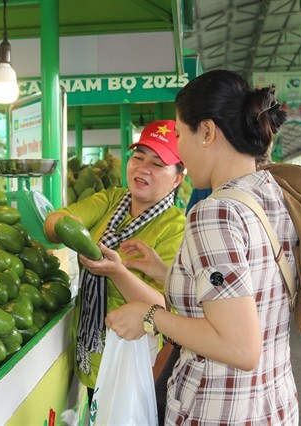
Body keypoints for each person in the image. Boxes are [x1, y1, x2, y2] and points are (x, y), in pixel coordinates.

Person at [82, 69, 299, 424]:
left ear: (208, 132)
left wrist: (149, 315)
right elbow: (246, 293)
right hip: (272, 403)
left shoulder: (216, 212)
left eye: (181, 134)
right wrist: (165, 272)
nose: (179, 147)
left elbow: (239, 348)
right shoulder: (271, 192)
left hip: (221, 410)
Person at [43, 119, 186, 402]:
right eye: (138, 157)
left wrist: (116, 272)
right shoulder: (111, 199)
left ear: (177, 178)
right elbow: (54, 223)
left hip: (133, 358)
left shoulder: (176, 226)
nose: (143, 168)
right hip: (90, 349)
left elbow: (166, 307)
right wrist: (71, 232)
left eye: (158, 164)